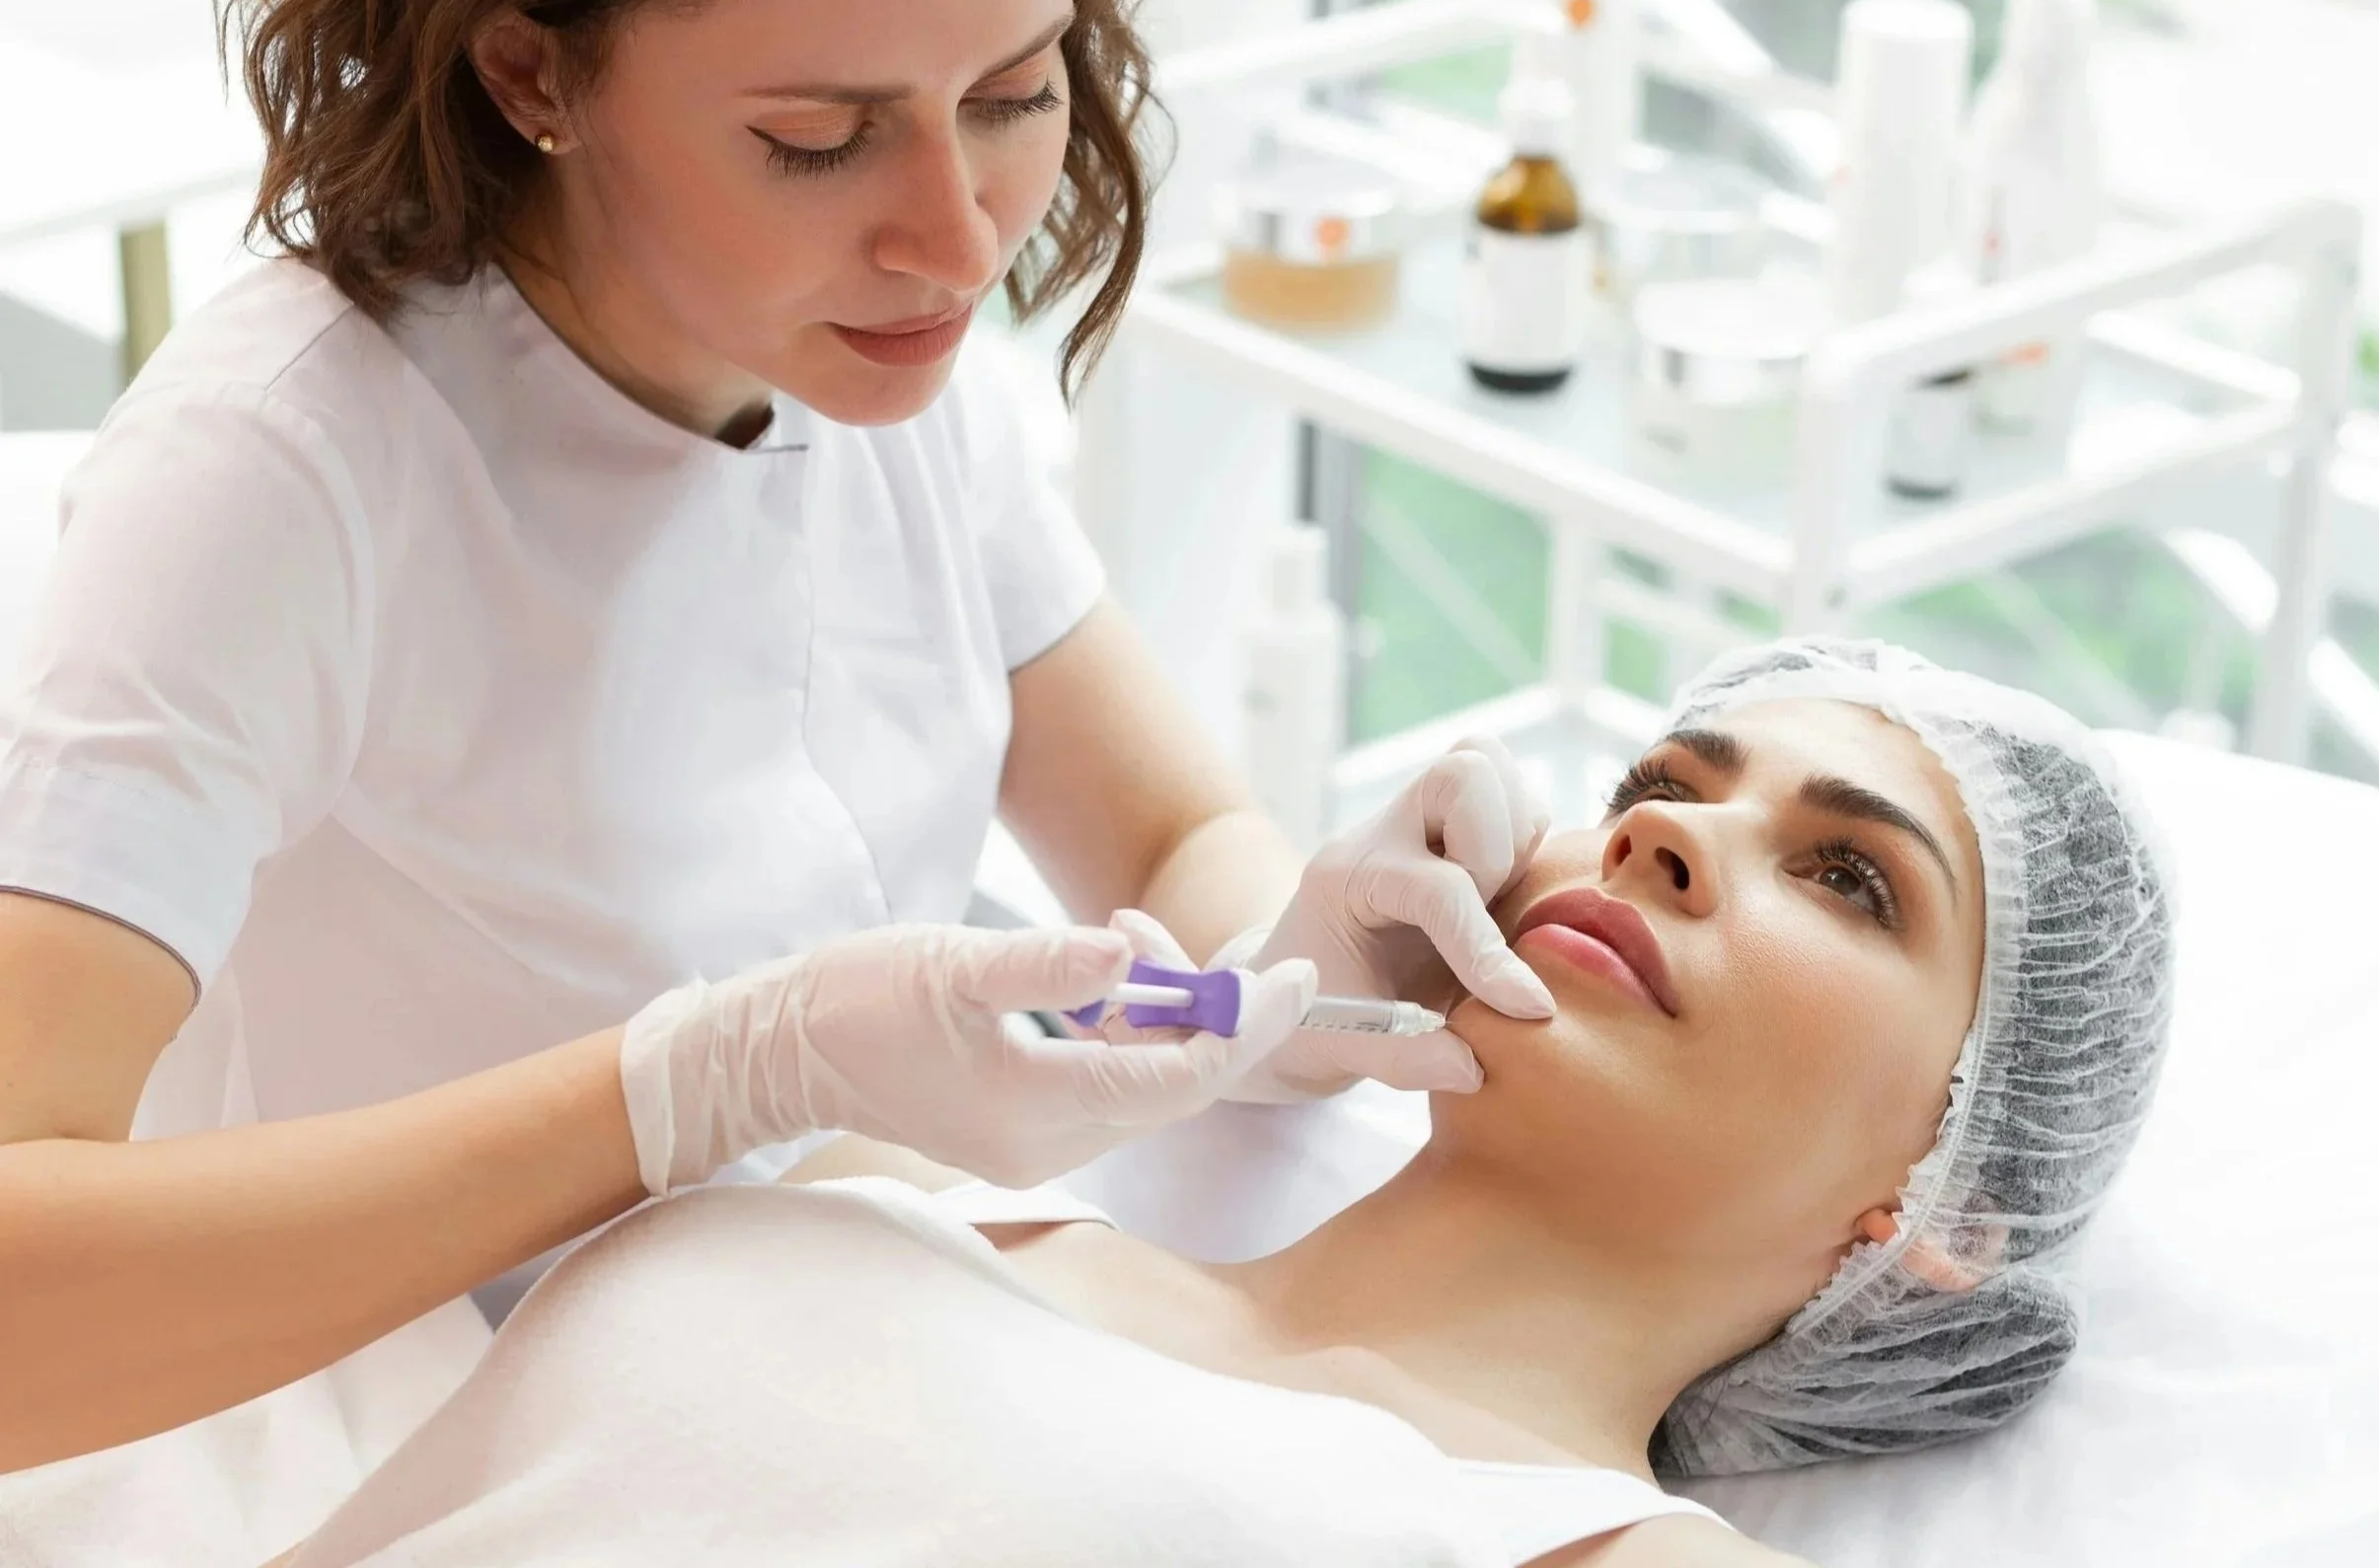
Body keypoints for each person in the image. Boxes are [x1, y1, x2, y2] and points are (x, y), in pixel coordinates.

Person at [0, 0, 1560, 1476]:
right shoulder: (280, 473)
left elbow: (1161, 834)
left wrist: (1282, 975)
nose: (958, 240)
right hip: (391, 1450)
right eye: (820, 136)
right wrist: (686, 1090)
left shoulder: (873, 355)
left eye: (1015, 93)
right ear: (532, 70)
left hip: (814, 1362)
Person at [273, 639, 2178, 1567]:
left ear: (1943, 1211)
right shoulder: (916, 1176)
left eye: (1849, 879)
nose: (1666, 836)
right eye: (1661, 785)